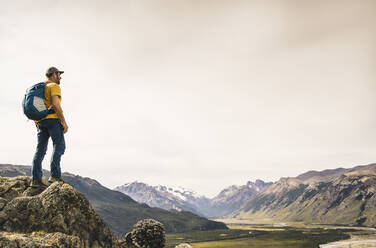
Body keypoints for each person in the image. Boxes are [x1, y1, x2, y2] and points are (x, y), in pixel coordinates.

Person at [31, 66, 69, 188]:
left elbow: (36, 107)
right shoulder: (54, 86)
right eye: (59, 74)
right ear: (53, 75)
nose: (60, 77)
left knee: (40, 150)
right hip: (53, 120)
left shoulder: (39, 88)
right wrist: (63, 121)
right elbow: (56, 104)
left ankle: (36, 179)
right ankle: (55, 176)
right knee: (59, 145)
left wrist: (37, 123)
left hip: (41, 122)